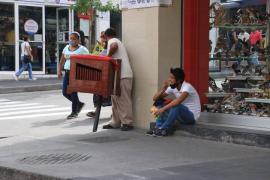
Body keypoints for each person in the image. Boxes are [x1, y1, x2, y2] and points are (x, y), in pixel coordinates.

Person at [147, 68, 201, 137]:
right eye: (169, 77)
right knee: (158, 102)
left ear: (178, 80)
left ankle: (164, 129)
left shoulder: (187, 87)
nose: (169, 79)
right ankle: (158, 127)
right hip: (180, 116)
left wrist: (162, 109)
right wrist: (163, 89)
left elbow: (178, 101)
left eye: (172, 78)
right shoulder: (173, 88)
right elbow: (154, 98)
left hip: (191, 117)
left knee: (176, 105)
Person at [102, 28, 134, 131]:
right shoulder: (118, 41)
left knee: (123, 100)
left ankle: (127, 123)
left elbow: (114, 46)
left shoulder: (113, 41)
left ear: (106, 36)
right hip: (119, 75)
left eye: (103, 37)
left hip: (123, 75)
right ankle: (115, 122)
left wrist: (108, 57)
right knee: (115, 100)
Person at [58, 32, 89, 119]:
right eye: (70, 38)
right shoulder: (66, 48)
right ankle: (79, 104)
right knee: (65, 92)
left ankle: (74, 112)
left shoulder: (83, 49)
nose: (71, 40)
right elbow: (62, 60)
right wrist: (59, 70)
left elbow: (89, 61)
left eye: (73, 38)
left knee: (73, 91)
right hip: (67, 72)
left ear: (78, 40)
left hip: (76, 72)